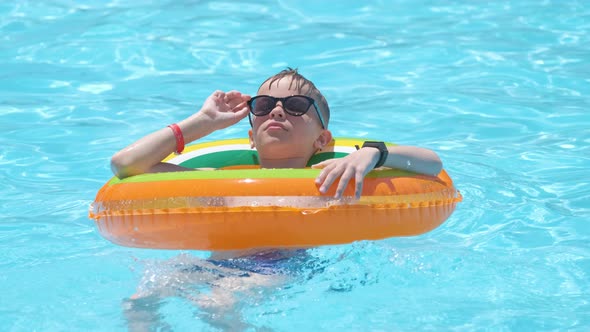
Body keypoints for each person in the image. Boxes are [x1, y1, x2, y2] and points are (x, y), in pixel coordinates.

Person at [115, 68, 443, 330]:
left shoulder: (330, 180)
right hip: (215, 264)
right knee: (140, 299)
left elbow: (432, 164)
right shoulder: (219, 187)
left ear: (323, 139)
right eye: (262, 105)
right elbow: (125, 165)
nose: (277, 110)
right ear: (251, 137)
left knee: (218, 305)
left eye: (296, 106)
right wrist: (201, 123)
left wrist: (373, 152)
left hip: (284, 265)